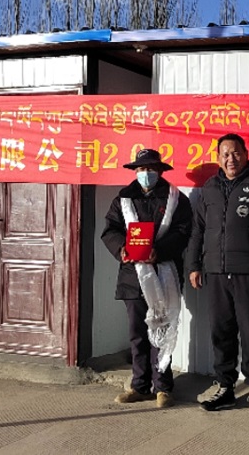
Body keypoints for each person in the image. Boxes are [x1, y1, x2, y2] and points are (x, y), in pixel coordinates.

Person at [187, 133, 249, 414]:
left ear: (246, 154)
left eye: (236, 153)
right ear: (218, 158)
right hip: (215, 272)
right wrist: (194, 265)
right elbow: (198, 230)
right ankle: (225, 386)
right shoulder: (209, 188)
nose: (231, 159)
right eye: (225, 154)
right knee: (221, 331)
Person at [101, 148, 193, 408]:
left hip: (164, 274)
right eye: (141, 169)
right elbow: (110, 230)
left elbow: (183, 231)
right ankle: (140, 386)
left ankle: (163, 387)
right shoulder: (123, 199)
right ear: (135, 172)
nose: (146, 173)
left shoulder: (176, 198)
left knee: (161, 330)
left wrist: (159, 251)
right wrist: (122, 249)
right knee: (137, 333)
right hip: (133, 276)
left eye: (151, 169)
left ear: (160, 171)